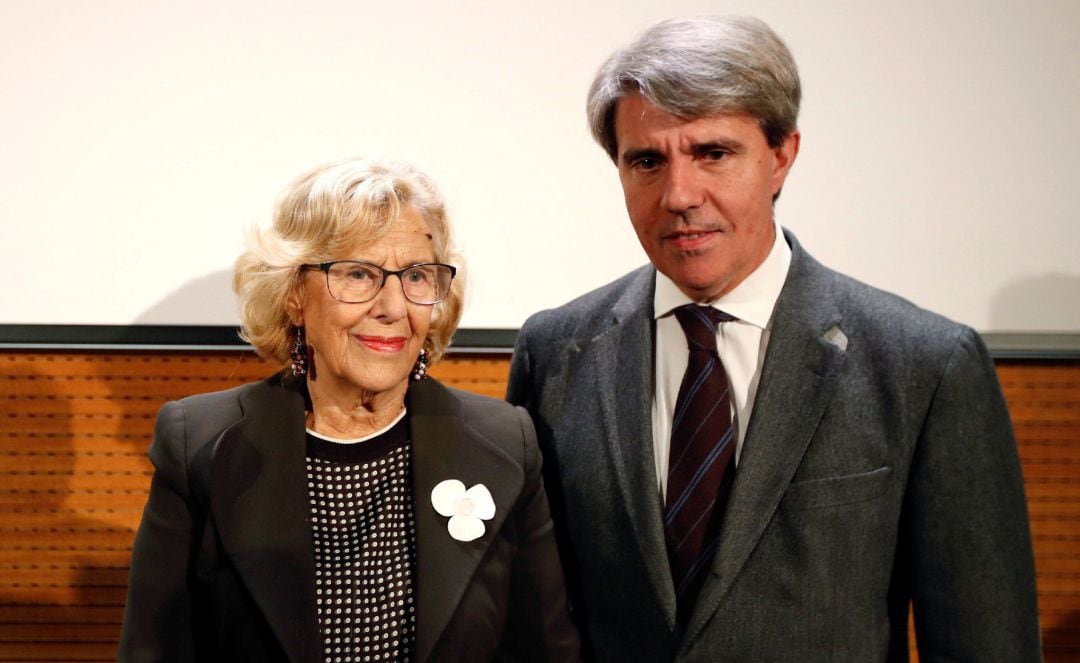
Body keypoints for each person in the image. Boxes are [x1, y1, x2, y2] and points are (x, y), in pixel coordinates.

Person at [507, 15, 1041, 662]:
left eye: (713, 153)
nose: (679, 194)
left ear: (781, 155)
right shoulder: (554, 352)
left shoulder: (925, 365)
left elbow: (987, 644)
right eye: (646, 161)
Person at [120, 158, 580, 662]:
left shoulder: (504, 442)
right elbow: (154, 651)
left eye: (417, 276)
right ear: (294, 294)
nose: (393, 306)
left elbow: (545, 650)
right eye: (359, 274)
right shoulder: (200, 445)